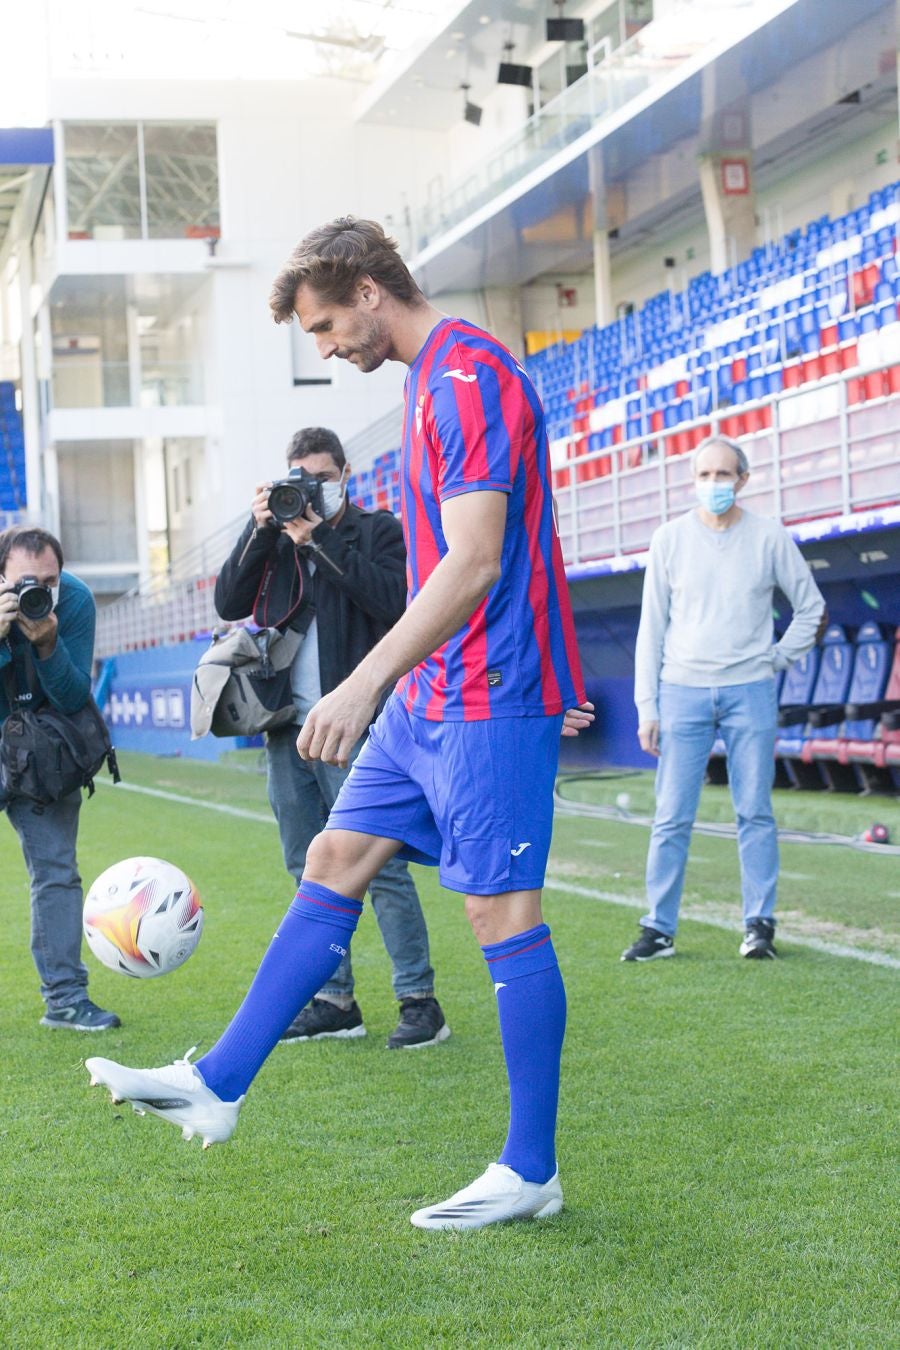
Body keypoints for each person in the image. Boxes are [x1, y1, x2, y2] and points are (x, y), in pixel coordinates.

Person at [85, 216, 594, 1231]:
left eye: (324, 325)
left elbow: (475, 561)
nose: (323, 348)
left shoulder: (467, 378)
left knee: (500, 915)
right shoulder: (426, 384)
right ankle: (220, 1084)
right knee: (332, 856)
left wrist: (361, 682)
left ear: (369, 288)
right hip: (433, 695)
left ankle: (531, 1169)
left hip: (493, 691)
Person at [215, 424, 448, 1049]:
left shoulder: (377, 531)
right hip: (287, 727)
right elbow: (228, 598)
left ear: (344, 473)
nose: (309, 488)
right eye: (299, 477)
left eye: (320, 476)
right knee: (307, 865)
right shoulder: (276, 538)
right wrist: (259, 528)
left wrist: (317, 538)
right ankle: (334, 998)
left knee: (383, 866)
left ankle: (418, 1000)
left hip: (362, 727)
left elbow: (391, 600)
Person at [622, 436, 826, 963]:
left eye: (723, 474)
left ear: (743, 479)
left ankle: (759, 925)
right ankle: (658, 928)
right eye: (705, 474)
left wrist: (775, 659)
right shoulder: (669, 539)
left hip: (750, 690)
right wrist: (648, 706)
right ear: (693, 480)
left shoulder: (769, 537)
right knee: (671, 815)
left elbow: (810, 608)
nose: (713, 483)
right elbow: (652, 629)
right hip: (681, 691)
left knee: (754, 811)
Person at [0, 526, 120, 1031]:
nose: (38, 592)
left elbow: (73, 697)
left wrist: (47, 645)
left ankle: (66, 1000)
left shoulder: (73, 600)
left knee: (56, 872)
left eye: (49, 580)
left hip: (41, 752)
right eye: (26, 583)